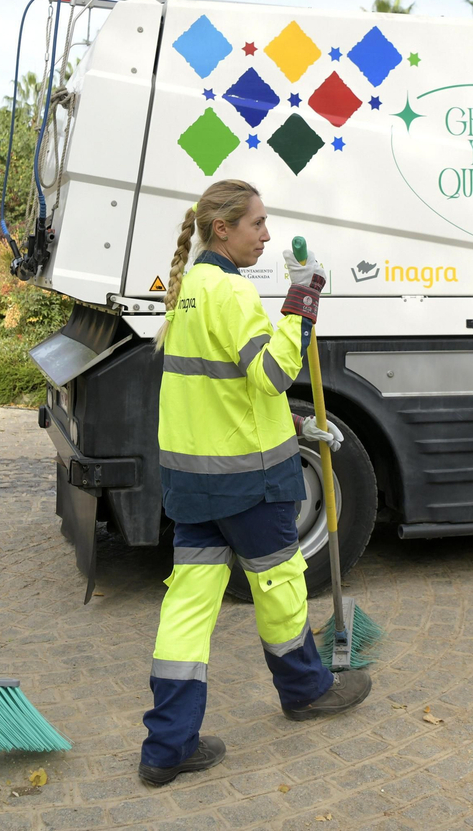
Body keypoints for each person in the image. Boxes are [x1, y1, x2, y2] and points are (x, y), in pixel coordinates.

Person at [139, 179, 371, 788]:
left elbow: (220, 391)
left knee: (187, 608)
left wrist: (294, 425)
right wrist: (303, 296)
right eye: (258, 224)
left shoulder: (187, 293)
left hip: (192, 482)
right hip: (249, 483)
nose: (267, 235)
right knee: (281, 586)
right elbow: (272, 373)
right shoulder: (232, 293)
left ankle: (167, 746)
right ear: (223, 229)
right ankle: (307, 691)